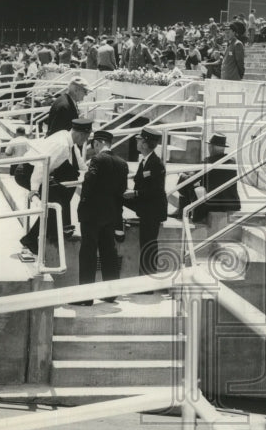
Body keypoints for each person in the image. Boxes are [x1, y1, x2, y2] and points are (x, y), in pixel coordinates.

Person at [20, 118, 90, 259]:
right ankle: (31, 239)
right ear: (81, 134)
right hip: (27, 171)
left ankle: (50, 231)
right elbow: (41, 165)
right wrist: (34, 190)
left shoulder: (67, 136)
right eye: (87, 137)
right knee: (56, 202)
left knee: (60, 197)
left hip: (36, 170)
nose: (86, 141)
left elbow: (78, 161)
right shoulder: (62, 145)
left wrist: (88, 171)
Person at [74, 129, 129, 305]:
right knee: (108, 253)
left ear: (97, 143)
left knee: (88, 253)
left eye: (94, 146)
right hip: (111, 214)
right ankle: (110, 294)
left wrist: (82, 204)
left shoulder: (97, 159)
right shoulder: (122, 163)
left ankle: (85, 296)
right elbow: (121, 190)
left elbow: (89, 183)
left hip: (92, 215)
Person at [124, 128, 167, 276]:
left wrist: (135, 193)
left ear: (144, 144)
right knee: (146, 243)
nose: (136, 142)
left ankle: (147, 281)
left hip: (152, 211)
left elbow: (156, 191)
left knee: (148, 244)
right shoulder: (146, 161)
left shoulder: (156, 164)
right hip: (145, 207)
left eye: (138, 140)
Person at [172, 133, 240, 222]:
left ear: (211, 147)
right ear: (223, 148)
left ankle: (182, 212)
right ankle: (181, 211)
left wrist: (183, 175)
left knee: (186, 182)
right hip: (231, 203)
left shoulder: (209, 162)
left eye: (209, 146)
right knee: (193, 182)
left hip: (213, 203)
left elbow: (193, 178)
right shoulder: (232, 161)